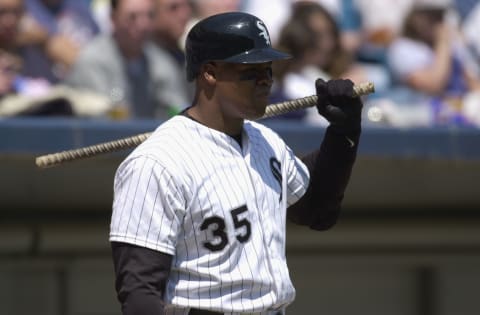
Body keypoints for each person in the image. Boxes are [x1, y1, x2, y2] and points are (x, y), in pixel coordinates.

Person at [109, 12, 363, 315]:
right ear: (210, 73)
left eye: (268, 69)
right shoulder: (158, 162)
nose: (265, 80)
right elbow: (139, 292)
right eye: (250, 71)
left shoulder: (267, 142)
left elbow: (318, 211)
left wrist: (342, 134)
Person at [66, 0, 189, 120]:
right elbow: (100, 119)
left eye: (149, 16)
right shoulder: (92, 62)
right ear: (113, 18)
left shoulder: (161, 63)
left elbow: (179, 112)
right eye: (132, 17)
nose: (143, 24)